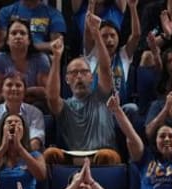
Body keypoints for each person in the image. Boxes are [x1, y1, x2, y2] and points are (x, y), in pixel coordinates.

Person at [42, 38, 122, 166]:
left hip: (103, 158)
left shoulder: (102, 96)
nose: (79, 76)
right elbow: (51, 97)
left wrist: (96, 33)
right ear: (67, 79)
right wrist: (57, 58)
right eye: (73, 73)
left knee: (105, 155)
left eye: (84, 72)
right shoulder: (65, 106)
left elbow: (106, 69)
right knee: (50, 154)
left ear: (91, 77)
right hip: (73, 159)